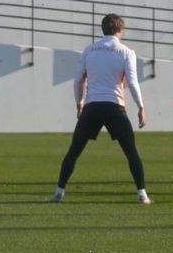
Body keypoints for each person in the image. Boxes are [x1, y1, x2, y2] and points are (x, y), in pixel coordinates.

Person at [53, 14, 150, 204]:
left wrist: (79, 103)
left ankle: (59, 192)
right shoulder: (126, 52)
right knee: (131, 151)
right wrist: (141, 106)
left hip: (92, 106)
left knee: (74, 151)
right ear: (120, 30)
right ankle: (142, 195)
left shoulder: (89, 50)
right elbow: (132, 82)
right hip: (115, 106)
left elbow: (78, 80)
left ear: (102, 29)